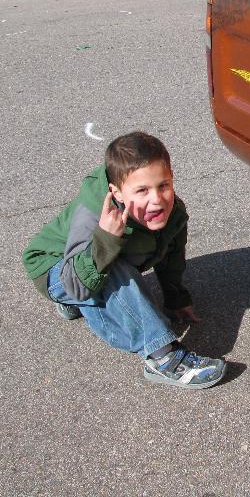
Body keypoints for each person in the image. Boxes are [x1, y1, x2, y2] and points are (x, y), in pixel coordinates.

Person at [22, 131, 226, 389]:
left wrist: (176, 297)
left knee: (107, 266)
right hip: (55, 270)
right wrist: (106, 239)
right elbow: (75, 285)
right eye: (142, 190)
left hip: (84, 271)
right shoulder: (93, 217)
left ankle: (79, 304)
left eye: (163, 185)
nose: (157, 199)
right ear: (117, 193)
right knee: (108, 263)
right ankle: (162, 356)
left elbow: (172, 254)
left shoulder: (172, 210)